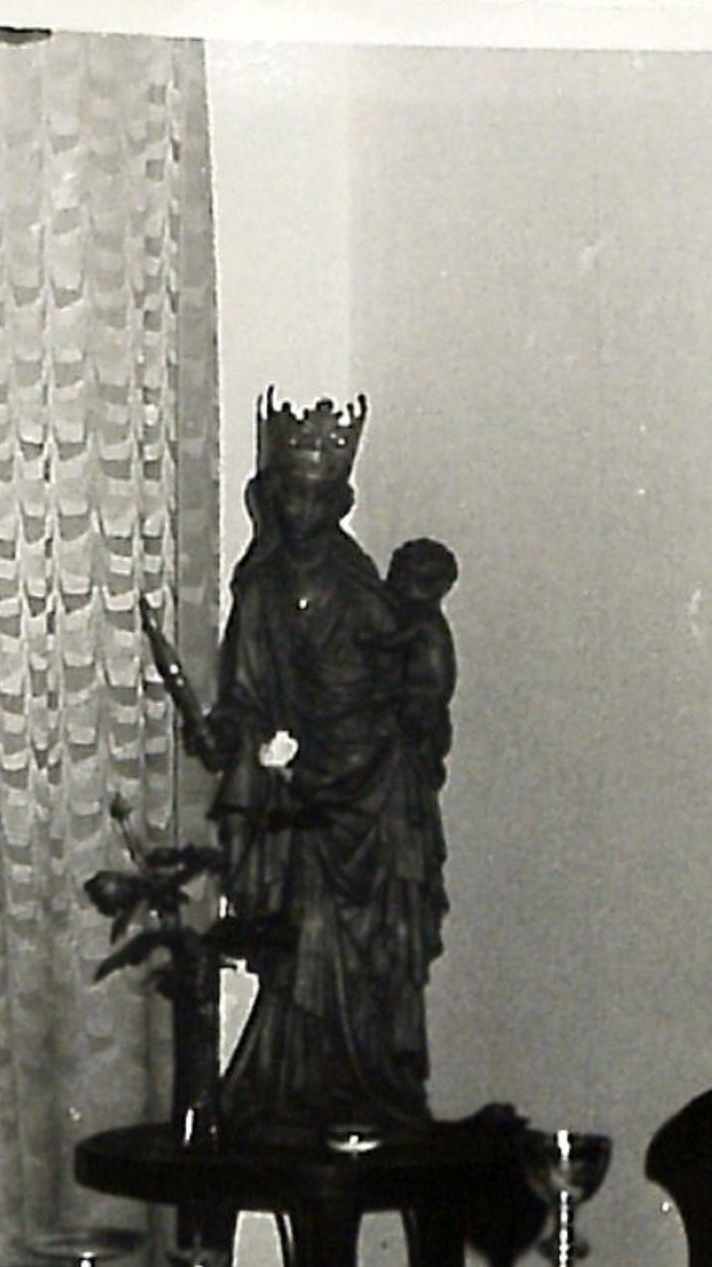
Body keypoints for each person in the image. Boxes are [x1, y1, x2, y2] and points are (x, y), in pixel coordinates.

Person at [190, 394, 454, 1135]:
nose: (304, 510)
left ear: (338, 500)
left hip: (379, 780)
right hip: (312, 792)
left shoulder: (357, 574)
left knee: (384, 942)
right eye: (293, 496)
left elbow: (402, 662)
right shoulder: (263, 585)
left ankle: (376, 1084)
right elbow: (248, 691)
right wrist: (233, 736)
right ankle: (297, 1087)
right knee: (308, 934)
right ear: (274, 498)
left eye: (319, 496)